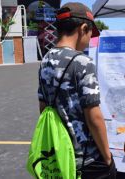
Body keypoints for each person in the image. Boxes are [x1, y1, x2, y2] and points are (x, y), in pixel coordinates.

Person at [38, 2, 116, 178]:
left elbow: (44, 108)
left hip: (59, 154)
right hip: (86, 159)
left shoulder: (45, 60)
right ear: (82, 28)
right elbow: (93, 116)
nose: (89, 40)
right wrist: (107, 157)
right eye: (90, 34)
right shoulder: (82, 62)